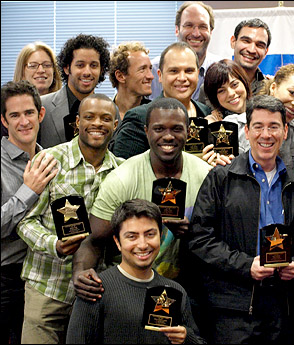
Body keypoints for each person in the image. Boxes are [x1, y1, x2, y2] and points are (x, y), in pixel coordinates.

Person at [71, 98, 210, 332]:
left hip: (186, 289)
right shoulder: (123, 178)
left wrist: (192, 233)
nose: (168, 136)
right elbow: (93, 241)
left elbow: (218, 241)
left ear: (189, 132)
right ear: (146, 132)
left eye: (176, 129)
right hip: (128, 288)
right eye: (159, 129)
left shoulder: (206, 176)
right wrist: (81, 272)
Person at [188, 95, 294, 344]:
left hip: (283, 307)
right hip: (233, 308)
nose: (266, 134)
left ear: (284, 131)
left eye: (273, 126)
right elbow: (199, 239)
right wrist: (245, 265)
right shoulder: (221, 177)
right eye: (258, 126)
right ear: (247, 131)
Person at [17, 94, 123, 344]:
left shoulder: (121, 171)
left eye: (106, 118)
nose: (97, 123)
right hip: (47, 288)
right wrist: (54, 244)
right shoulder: (49, 161)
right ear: (77, 123)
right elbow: (25, 221)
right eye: (89, 117)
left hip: (94, 294)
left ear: (115, 125)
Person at [66, 199, 205, 344]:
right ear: (118, 242)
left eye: (150, 234)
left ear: (161, 236)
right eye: (132, 236)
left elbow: (198, 340)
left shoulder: (175, 291)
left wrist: (186, 337)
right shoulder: (94, 289)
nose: (143, 244)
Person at [1, 80, 58, 344]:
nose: (23, 121)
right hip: (6, 280)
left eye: (29, 113)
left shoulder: (51, 160)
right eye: (14, 115)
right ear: (4, 120)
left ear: (41, 114)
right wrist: (27, 191)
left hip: (43, 277)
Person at [111, 42, 211, 159]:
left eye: (189, 71)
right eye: (174, 71)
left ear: (198, 74)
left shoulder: (206, 113)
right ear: (160, 75)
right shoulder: (139, 118)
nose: (182, 78)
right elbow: (124, 171)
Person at [39, 34, 111, 148]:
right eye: (80, 65)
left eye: (93, 65)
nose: (87, 72)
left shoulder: (110, 109)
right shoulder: (42, 106)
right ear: (67, 68)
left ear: (101, 70)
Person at [150, 1, 223, 101]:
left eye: (203, 27)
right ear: (177, 30)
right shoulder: (152, 70)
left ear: (211, 31)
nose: (196, 33)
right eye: (188, 25)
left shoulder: (222, 71)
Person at [2, 42, 62, 138]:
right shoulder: (6, 107)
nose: (41, 70)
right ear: (22, 71)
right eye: (33, 66)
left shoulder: (65, 107)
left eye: (47, 65)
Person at [108, 41, 154, 120]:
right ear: (120, 76)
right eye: (142, 69)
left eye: (150, 69)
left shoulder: (155, 114)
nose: (151, 76)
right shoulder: (103, 113)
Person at [231, 18, 271, 95]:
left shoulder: (271, 90)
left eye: (259, 45)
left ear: (266, 52)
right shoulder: (212, 85)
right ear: (233, 42)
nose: (251, 50)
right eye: (246, 41)